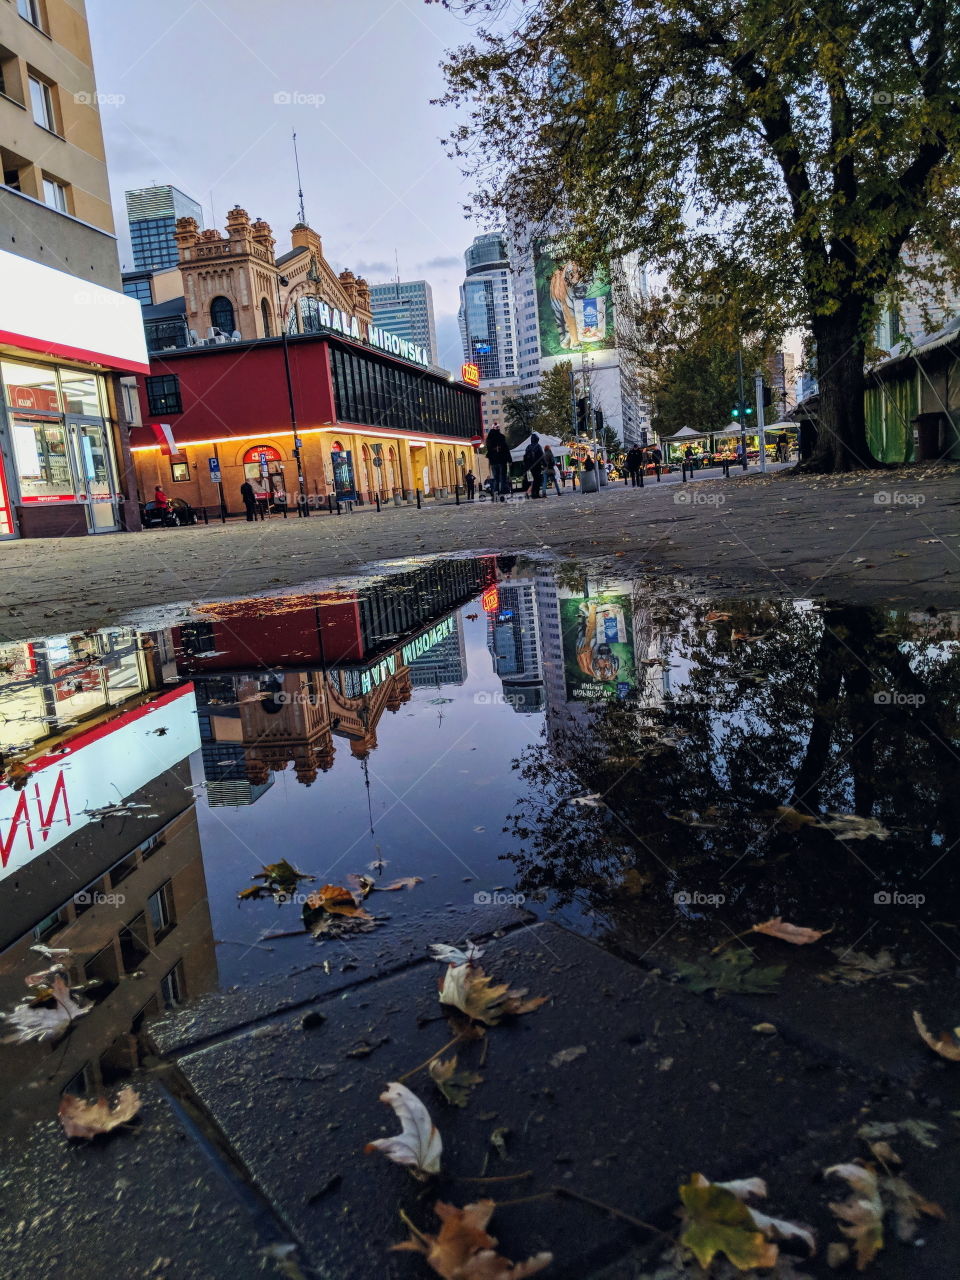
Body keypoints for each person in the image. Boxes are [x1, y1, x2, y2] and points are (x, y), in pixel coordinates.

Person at [484, 426, 512, 501]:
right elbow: (506, 450)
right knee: (502, 478)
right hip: (501, 461)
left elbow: (489, 453)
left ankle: (495, 495)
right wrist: (509, 460)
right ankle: (502, 494)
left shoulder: (489, 441)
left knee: (496, 479)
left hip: (493, 463)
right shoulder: (501, 438)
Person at [523, 433, 546, 498]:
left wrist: (526, 466)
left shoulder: (528, 447)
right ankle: (536, 493)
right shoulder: (538, 446)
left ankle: (533, 493)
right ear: (537, 439)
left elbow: (525, 457)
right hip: (537, 466)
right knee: (537, 480)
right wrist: (545, 464)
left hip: (529, 466)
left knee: (533, 480)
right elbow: (542, 456)